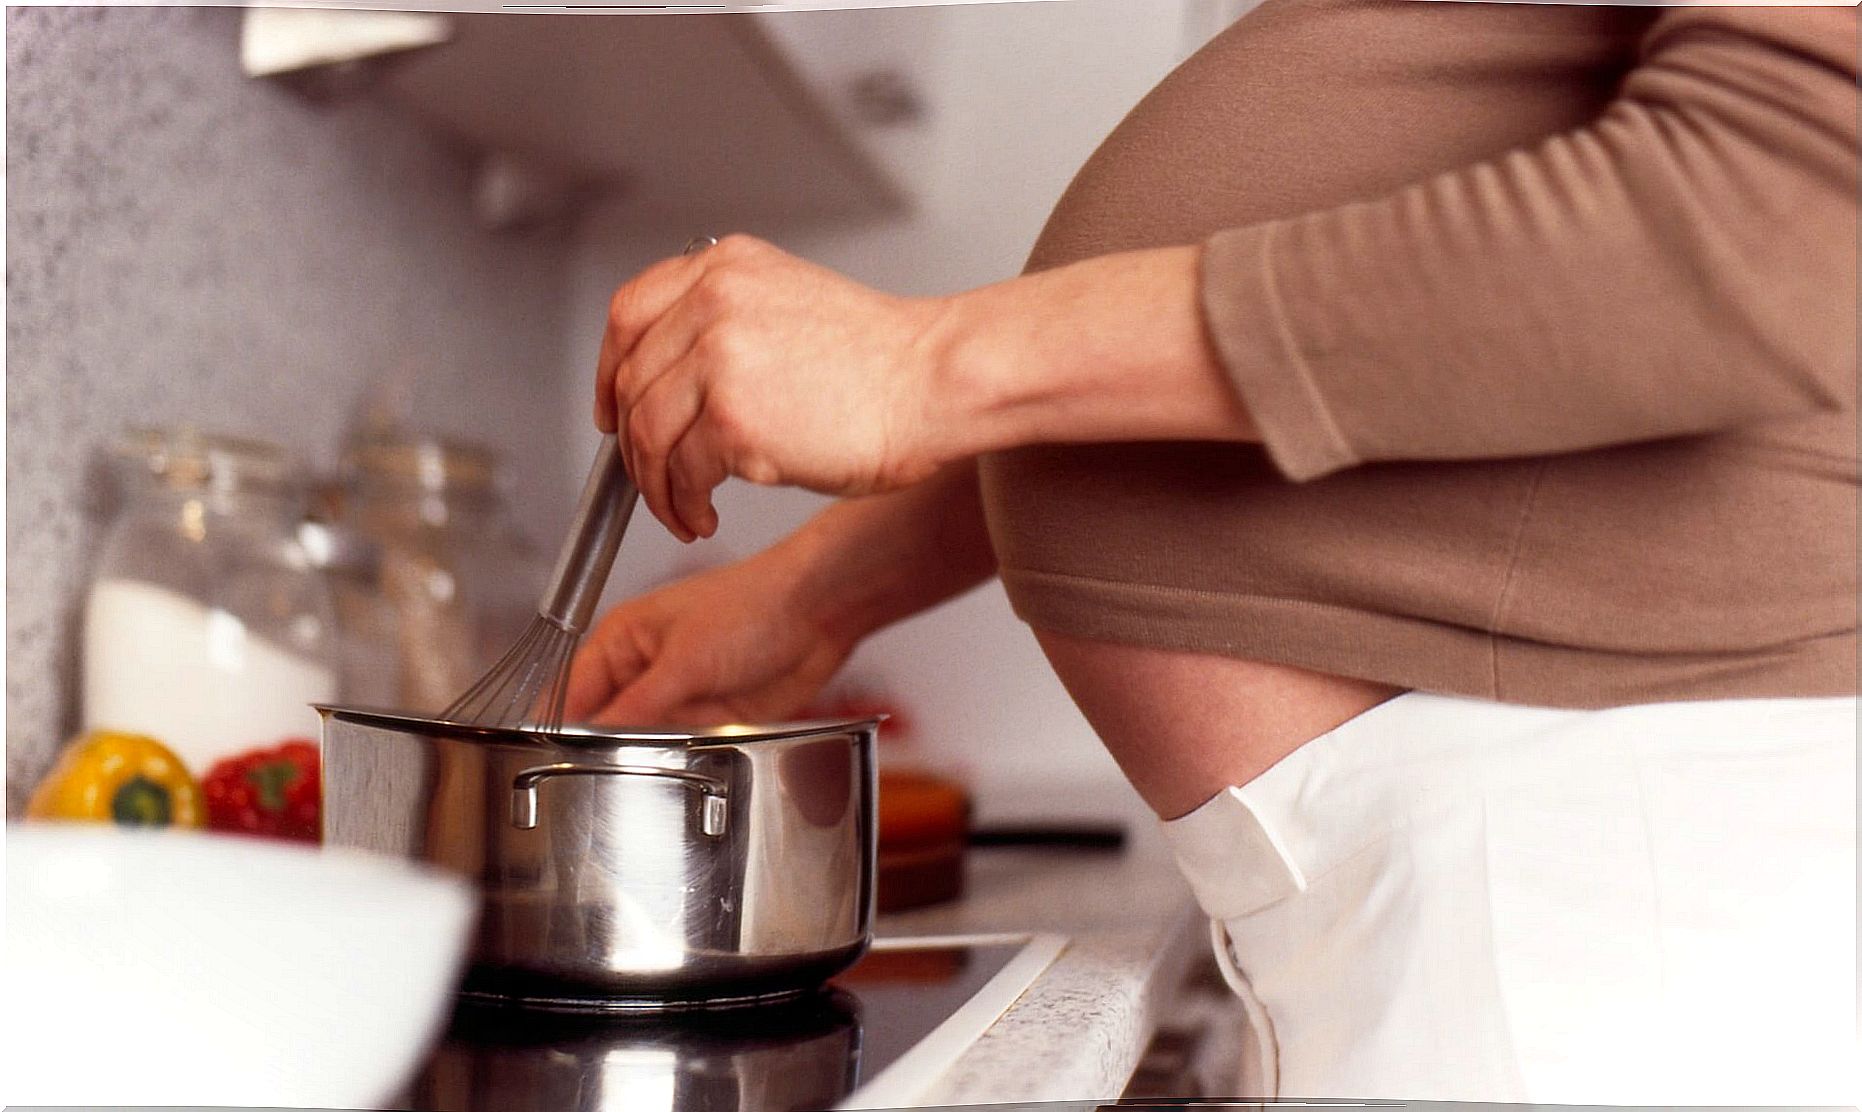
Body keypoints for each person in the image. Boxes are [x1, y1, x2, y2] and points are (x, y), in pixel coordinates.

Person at [563, 1, 1858, 1102]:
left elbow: (1768, 222)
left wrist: (931, 361)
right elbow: (1400, 333)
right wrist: (820, 589)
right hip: (1516, 871)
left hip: (1589, 907)